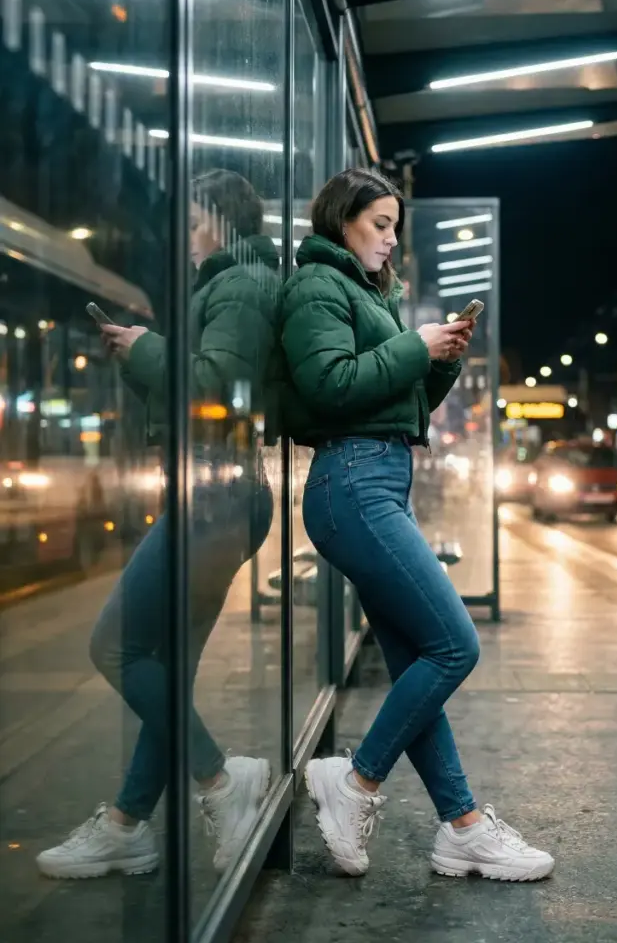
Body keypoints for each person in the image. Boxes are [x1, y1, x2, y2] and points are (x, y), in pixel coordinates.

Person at [281, 168, 554, 883]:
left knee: (416, 663)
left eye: (394, 225)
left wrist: (438, 362)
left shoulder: (371, 295)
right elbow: (327, 385)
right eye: (377, 223)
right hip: (351, 485)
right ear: (340, 221)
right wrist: (412, 347)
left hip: (377, 483)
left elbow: (391, 397)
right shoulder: (317, 286)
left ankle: (461, 827)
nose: (389, 237)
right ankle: (358, 781)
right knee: (454, 646)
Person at [37, 170, 279, 879]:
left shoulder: (235, 285)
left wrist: (146, 348)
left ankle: (219, 781)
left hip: (217, 492)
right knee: (163, 671)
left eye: (191, 216)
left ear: (217, 219)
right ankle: (126, 825)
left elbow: (217, 387)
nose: (182, 231)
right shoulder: (236, 283)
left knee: (114, 648)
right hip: (220, 490)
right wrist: (141, 350)